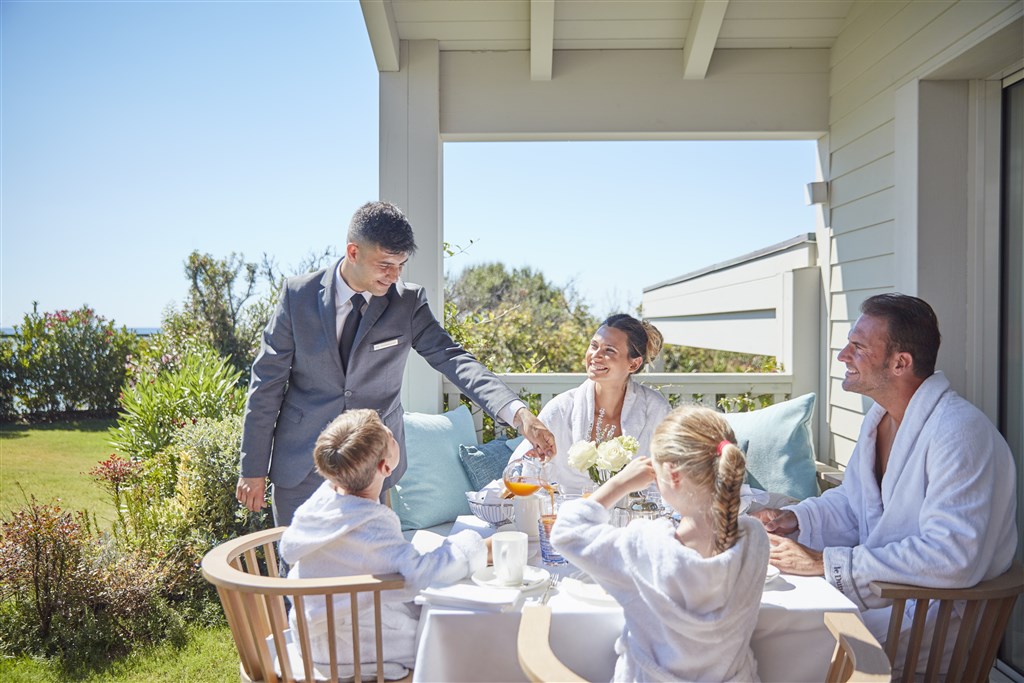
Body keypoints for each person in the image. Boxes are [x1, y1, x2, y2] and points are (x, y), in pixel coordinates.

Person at [236, 200, 555, 525]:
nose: (394, 275)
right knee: (299, 571)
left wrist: (519, 414)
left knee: (370, 568)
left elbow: (454, 359)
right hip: (302, 465)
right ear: (353, 251)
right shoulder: (297, 297)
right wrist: (253, 469)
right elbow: (266, 387)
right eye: (385, 264)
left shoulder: (407, 303)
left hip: (374, 469)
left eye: (401, 264)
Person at [753, 293, 1017, 676]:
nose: (843, 355)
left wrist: (825, 563)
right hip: (885, 599)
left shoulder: (959, 433)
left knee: (769, 639)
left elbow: (952, 556)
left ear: (900, 363)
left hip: (933, 616)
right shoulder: (881, 419)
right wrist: (793, 519)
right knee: (760, 609)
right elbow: (854, 502)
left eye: (857, 347)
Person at [551, 405, 769, 682]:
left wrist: (619, 484)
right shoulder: (755, 540)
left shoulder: (647, 547)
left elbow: (567, 531)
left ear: (673, 474)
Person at [280, 409, 490, 679]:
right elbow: (421, 575)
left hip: (313, 642)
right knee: (464, 636)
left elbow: (379, 560)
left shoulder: (325, 500)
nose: (393, 432)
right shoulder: (371, 525)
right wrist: (478, 547)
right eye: (389, 434)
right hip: (355, 650)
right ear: (385, 467)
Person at [507, 314, 671, 494]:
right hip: (572, 514)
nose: (596, 356)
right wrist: (537, 462)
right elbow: (518, 472)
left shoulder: (656, 409)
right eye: (594, 346)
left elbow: (670, 477)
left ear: (634, 364)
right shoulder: (562, 409)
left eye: (609, 350)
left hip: (634, 517)